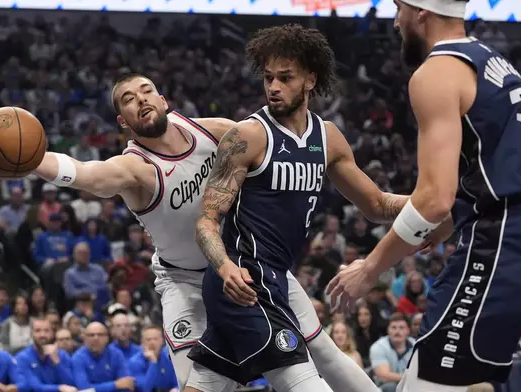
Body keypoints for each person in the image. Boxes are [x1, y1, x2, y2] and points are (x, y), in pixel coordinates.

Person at [30, 70, 384, 391]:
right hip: (186, 283)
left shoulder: (214, 130)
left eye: (147, 91)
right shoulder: (134, 167)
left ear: (163, 100)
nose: (141, 99)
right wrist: (30, 161)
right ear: (124, 121)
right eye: (129, 99)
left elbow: (268, 150)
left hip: (248, 264)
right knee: (199, 386)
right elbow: (87, 174)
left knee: (320, 346)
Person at [327, 1, 521, 391]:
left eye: (398, 8)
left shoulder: (437, 72)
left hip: (502, 244)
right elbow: (492, 175)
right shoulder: (497, 64)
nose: (395, 20)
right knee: (476, 381)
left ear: (420, 11)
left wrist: (369, 269)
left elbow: (433, 199)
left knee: (428, 381)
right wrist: (447, 224)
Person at [188, 24, 408, 391]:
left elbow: (377, 204)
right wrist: (224, 266)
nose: (273, 87)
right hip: (243, 280)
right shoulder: (248, 136)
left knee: (208, 382)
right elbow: (206, 222)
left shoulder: (328, 138)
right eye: (269, 77)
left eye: (285, 78)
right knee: (306, 381)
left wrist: (430, 205)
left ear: (310, 79)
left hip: (278, 276)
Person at [15, 318, 76, 392]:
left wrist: (57, 362)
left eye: (46, 331)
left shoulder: (62, 355)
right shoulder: (23, 358)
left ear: (52, 333)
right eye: (38, 331)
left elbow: (72, 384)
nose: (42, 335)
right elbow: (34, 387)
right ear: (31, 334)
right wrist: (59, 388)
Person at [70, 322, 134, 391]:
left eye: (100, 335)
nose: (96, 338)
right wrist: (115, 385)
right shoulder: (78, 358)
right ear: (84, 339)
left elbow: (127, 383)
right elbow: (84, 389)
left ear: (107, 338)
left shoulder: (116, 354)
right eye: (91, 335)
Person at [369, 313, 414, 392]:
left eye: (401, 327)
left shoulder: (416, 346)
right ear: (388, 330)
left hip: (410, 385)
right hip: (384, 387)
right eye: (393, 327)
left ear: (408, 330)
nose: (397, 331)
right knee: (391, 386)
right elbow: (384, 376)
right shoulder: (378, 347)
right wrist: (411, 378)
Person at [128, 325, 179, 392]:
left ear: (162, 341)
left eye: (155, 339)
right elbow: (146, 389)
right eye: (148, 339)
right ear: (142, 343)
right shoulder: (135, 362)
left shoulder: (168, 358)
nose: (152, 342)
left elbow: (177, 383)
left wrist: (176, 389)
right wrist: (153, 362)